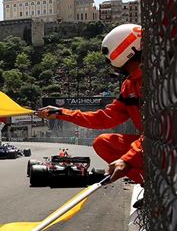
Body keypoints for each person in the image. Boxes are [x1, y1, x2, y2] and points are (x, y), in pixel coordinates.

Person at [37, 24, 144, 184]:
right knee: (103, 142)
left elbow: (167, 136)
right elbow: (105, 118)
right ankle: (148, 183)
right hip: (154, 145)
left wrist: (128, 160)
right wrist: (62, 113)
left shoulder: (163, 79)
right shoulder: (130, 86)